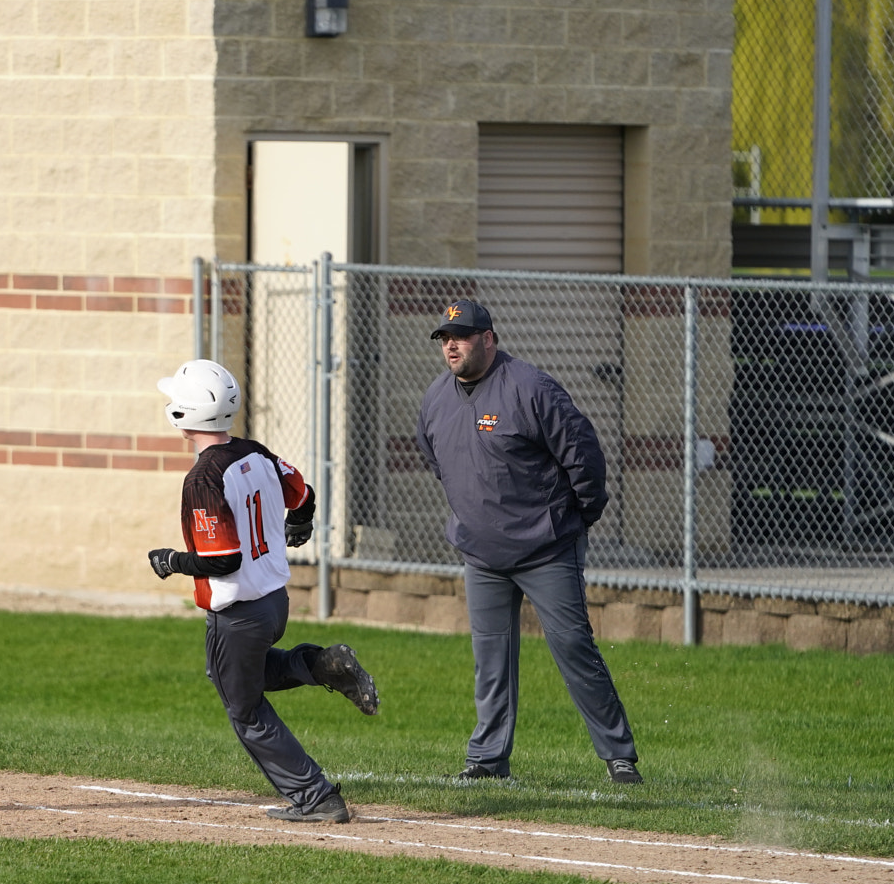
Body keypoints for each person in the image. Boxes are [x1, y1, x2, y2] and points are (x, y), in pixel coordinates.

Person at [413, 299, 643, 784]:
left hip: (546, 548)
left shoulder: (531, 388)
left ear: (489, 338)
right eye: (444, 338)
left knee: (573, 647)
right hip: (481, 555)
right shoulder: (436, 397)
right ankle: (488, 759)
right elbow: (438, 460)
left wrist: (578, 517)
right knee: (490, 661)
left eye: (463, 335)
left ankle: (618, 756)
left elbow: (584, 456)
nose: (451, 345)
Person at [145, 359, 382, 823]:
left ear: (185, 413)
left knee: (245, 708)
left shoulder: (202, 479)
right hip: (275, 602)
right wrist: (301, 522)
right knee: (233, 677)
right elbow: (303, 492)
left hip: (239, 611)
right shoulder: (255, 451)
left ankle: (316, 797)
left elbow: (222, 559)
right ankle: (319, 664)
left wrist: (171, 561)